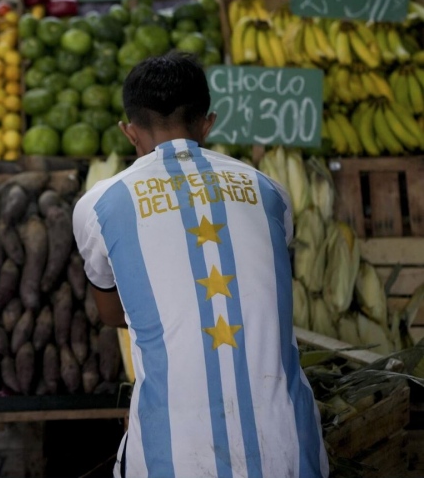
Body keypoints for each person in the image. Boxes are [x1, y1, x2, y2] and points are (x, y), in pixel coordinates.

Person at [72, 53, 328, 478]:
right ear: (208, 123)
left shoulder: (99, 205)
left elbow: (110, 313)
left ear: (129, 132)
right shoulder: (270, 192)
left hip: (171, 461)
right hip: (291, 453)